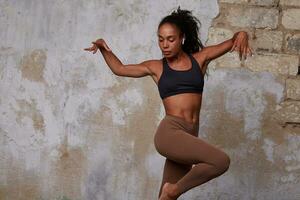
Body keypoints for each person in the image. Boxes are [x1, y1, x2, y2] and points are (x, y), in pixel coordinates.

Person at [84, 6, 252, 200]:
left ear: (181, 38)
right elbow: (120, 68)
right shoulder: (156, 67)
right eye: (161, 39)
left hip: (189, 134)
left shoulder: (200, 60)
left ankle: (170, 193)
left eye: (170, 39)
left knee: (164, 199)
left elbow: (233, 41)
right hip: (170, 133)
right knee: (220, 161)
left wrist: (242, 34)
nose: (165, 45)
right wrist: (104, 49)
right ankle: (173, 190)